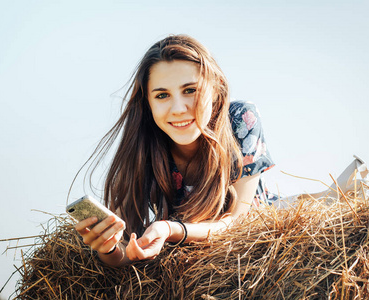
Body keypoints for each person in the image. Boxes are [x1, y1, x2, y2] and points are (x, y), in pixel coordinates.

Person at [74, 34, 277, 266]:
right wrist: (109, 248)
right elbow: (124, 258)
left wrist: (171, 229)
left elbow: (238, 223)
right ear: (148, 104)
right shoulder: (144, 146)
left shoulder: (241, 120)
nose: (178, 108)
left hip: (256, 254)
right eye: (162, 95)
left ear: (216, 89)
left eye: (190, 90)